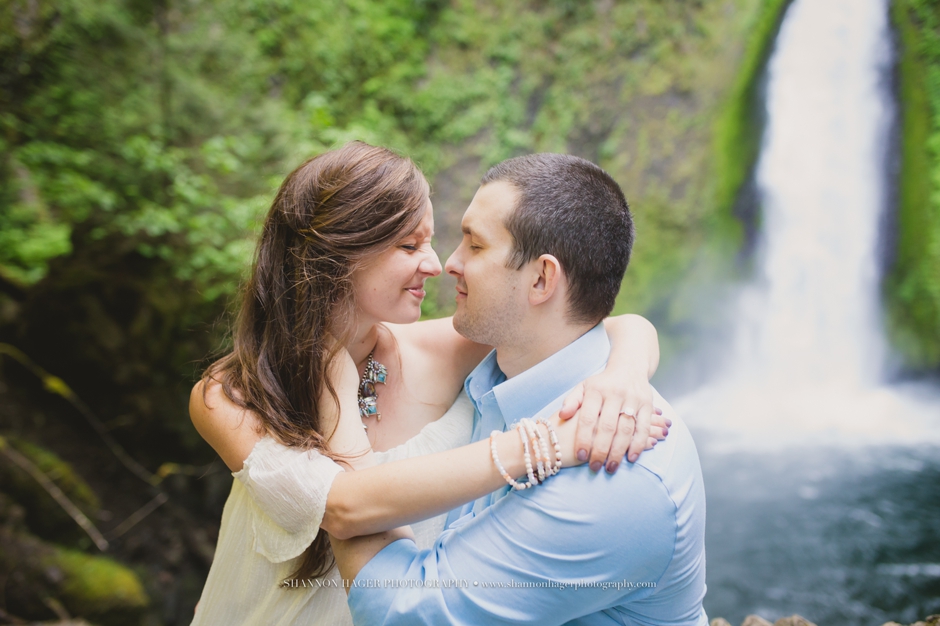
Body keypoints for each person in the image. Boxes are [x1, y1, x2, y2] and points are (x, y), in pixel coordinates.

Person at [188, 142, 669, 625]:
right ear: (339, 253)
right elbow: (342, 505)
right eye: (409, 245)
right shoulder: (231, 395)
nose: (437, 265)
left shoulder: (445, 348)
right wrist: (547, 445)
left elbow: (599, 324)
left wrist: (624, 374)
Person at [330, 153, 707, 625]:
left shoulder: (615, 467)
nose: (449, 263)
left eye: (475, 245)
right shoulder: (496, 368)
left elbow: (405, 611)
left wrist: (335, 467)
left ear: (542, 278)